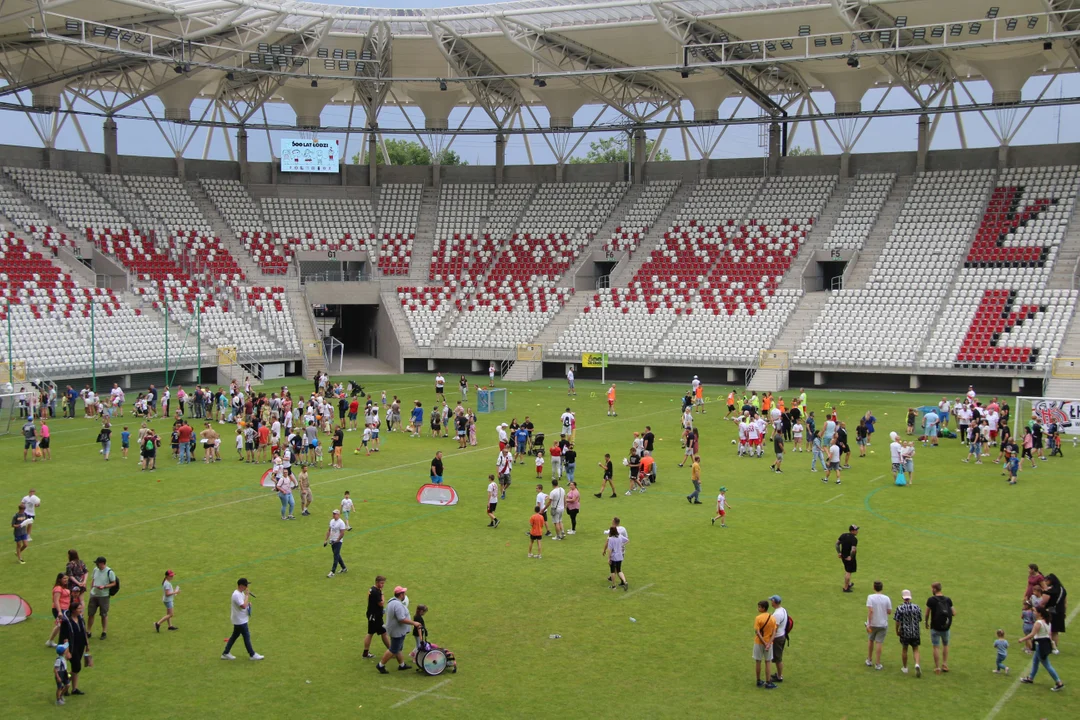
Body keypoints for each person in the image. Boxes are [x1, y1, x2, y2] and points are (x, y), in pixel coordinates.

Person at [377, 586, 422, 673]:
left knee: (398, 648)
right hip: (397, 631)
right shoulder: (397, 605)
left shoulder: (392, 601)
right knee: (393, 649)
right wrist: (414, 623)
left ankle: (402, 665)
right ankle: (380, 665)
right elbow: (401, 619)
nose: (405, 594)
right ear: (401, 594)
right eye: (404, 593)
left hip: (395, 630)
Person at [1019, 606, 1064, 690]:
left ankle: (1059, 682)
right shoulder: (1047, 622)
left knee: (1047, 665)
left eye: (1035, 611)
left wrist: (1022, 639)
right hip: (1044, 644)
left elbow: (1032, 634)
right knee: (1035, 662)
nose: (1033, 613)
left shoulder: (1038, 623)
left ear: (1039, 613)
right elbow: (1049, 635)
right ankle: (1030, 678)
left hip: (1040, 645)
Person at [222, 578, 263, 660]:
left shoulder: (241, 593)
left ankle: (225, 653)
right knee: (246, 636)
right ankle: (252, 654)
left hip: (240, 619)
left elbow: (244, 603)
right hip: (240, 620)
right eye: (246, 585)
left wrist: (248, 604)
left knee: (234, 636)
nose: (247, 587)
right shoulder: (236, 595)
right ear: (241, 585)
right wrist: (247, 596)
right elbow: (243, 606)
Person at [58, 601, 89, 697]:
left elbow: (83, 631)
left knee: (75, 668)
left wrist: (87, 644)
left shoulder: (80, 618)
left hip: (80, 645)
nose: (81, 610)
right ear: (74, 610)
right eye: (79, 609)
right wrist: (67, 651)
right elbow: (64, 637)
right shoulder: (66, 621)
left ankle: (74, 688)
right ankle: (66, 682)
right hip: (71, 647)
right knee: (77, 667)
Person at [925, 582, 955, 674]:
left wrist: (926, 622)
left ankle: (937, 667)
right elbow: (954, 612)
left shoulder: (931, 600)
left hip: (935, 627)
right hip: (946, 627)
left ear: (934, 589)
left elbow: (927, 613)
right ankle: (945, 664)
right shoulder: (948, 600)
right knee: (945, 645)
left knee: (936, 647)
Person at [86, 556, 116, 639]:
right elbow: (93, 579)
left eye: (97, 563)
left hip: (104, 596)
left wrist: (105, 586)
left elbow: (114, 583)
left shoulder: (109, 572)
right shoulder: (96, 569)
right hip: (94, 595)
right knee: (91, 614)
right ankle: (88, 631)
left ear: (102, 563)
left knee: (103, 614)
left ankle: (104, 632)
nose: (96, 564)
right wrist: (91, 589)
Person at [866, 580, 893, 670]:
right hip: (882, 624)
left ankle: (869, 660)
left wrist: (868, 624)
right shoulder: (886, 598)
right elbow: (889, 611)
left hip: (873, 623)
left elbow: (870, 611)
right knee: (879, 642)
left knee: (870, 640)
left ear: (874, 588)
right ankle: (877, 663)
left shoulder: (870, 597)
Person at [363, 575, 390, 659]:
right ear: (377, 582)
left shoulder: (372, 589)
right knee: (382, 633)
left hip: (372, 614)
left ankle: (365, 652)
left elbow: (368, 598)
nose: (383, 585)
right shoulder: (376, 591)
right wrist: (382, 594)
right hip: (375, 616)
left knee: (372, 633)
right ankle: (392, 650)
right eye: (382, 583)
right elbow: (381, 603)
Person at [754, 600, 778, 689]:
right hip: (769, 643)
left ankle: (759, 680)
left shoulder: (758, 618)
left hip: (758, 642)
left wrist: (764, 643)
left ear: (763, 608)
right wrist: (768, 644)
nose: (758, 608)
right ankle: (768, 682)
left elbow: (757, 632)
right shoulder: (772, 618)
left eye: (759, 607)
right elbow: (774, 632)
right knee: (768, 661)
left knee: (758, 661)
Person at [768, 595, 789, 683]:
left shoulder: (777, 614)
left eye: (771, 601)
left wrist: (770, 640)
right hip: (782, 635)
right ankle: (779, 674)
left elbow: (774, 629)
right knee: (777, 658)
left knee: (778, 659)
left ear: (774, 602)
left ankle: (779, 677)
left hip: (777, 638)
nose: (770, 602)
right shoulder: (783, 610)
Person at [603, 525, 629, 590]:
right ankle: (625, 581)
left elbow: (610, 550)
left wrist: (609, 558)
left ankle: (613, 586)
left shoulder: (611, 539)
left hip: (614, 556)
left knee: (612, 571)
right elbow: (627, 540)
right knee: (619, 570)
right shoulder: (620, 536)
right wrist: (622, 544)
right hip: (620, 556)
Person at [324, 509, 348, 578]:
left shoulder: (341, 523)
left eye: (335, 514)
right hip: (332, 540)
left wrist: (337, 540)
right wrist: (326, 540)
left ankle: (332, 571)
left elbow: (342, 533)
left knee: (335, 556)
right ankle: (344, 568)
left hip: (338, 542)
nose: (333, 515)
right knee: (336, 555)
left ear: (338, 515)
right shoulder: (332, 521)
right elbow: (329, 530)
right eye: (333, 514)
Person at [838, 524, 858, 592]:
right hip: (849, 558)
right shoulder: (854, 539)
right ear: (852, 531)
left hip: (843, 556)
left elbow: (837, 544)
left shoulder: (843, 535)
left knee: (847, 570)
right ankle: (846, 588)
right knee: (848, 572)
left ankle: (848, 584)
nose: (857, 531)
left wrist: (839, 552)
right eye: (856, 530)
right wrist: (851, 557)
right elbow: (853, 550)